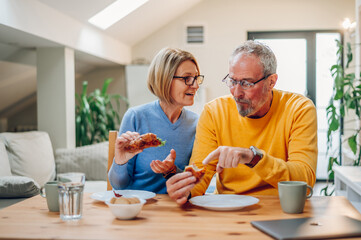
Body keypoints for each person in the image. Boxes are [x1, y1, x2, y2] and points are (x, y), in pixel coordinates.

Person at [166, 40, 318, 205]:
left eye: (246, 83)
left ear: (271, 82)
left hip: (281, 206)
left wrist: (254, 158)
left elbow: (305, 179)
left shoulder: (299, 108)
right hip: (229, 208)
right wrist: (186, 190)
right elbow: (201, 174)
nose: (236, 93)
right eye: (232, 81)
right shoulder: (214, 111)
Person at [108, 47, 203, 194]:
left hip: (178, 208)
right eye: (187, 78)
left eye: (196, 78)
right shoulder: (135, 116)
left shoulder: (197, 123)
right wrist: (120, 161)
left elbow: (194, 184)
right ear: (165, 79)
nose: (196, 85)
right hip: (139, 208)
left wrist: (172, 171)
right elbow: (119, 186)